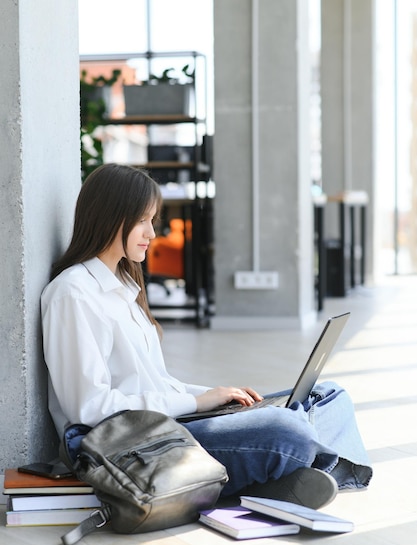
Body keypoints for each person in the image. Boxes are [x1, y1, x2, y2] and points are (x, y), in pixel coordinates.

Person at [41, 163, 372, 510]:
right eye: (142, 220)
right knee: (288, 431)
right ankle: (305, 468)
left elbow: (157, 383)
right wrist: (198, 404)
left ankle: (301, 474)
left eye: (151, 220)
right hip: (132, 444)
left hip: (168, 424)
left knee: (329, 395)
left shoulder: (123, 285)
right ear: (109, 217)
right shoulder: (73, 293)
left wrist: (216, 397)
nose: (152, 234)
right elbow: (90, 409)